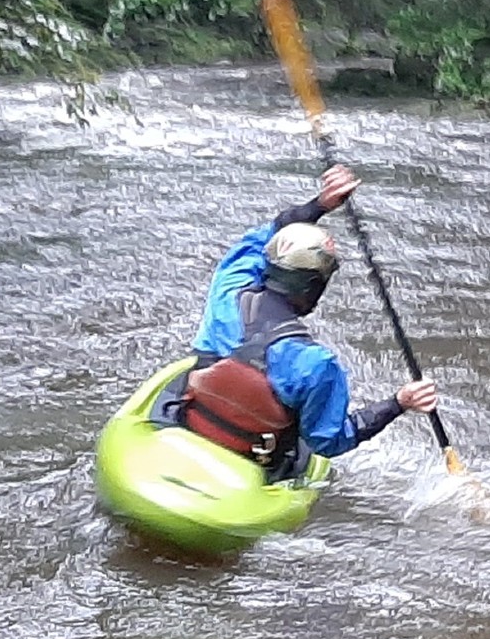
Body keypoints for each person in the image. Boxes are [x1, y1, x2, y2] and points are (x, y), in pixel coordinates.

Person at [152, 164, 439, 480]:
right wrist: (399, 403)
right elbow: (330, 442)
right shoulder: (316, 364)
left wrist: (320, 204)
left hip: (191, 427)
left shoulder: (228, 287)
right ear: (315, 286)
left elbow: (266, 234)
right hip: (251, 464)